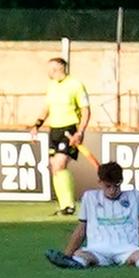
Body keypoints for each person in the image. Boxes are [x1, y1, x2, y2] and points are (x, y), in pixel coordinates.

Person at [48, 156, 139, 267]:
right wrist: (67, 255)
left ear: (121, 181)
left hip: (128, 249)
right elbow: (81, 229)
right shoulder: (90, 198)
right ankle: (72, 263)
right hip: (96, 250)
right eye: (108, 186)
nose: (113, 190)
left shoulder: (135, 196)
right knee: (80, 254)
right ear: (100, 183)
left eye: (116, 185)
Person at [41, 53, 89, 210]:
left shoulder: (75, 85)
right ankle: (63, 206)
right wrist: (37, 125)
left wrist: (80, 132)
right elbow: (47, 108)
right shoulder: (51, 86)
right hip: (54, 129)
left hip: (69, 129)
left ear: (59, 68)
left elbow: (86, 110)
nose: (48, 72)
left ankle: (69, 205)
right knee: (54, 166)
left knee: (60, 164)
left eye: (50, 68)